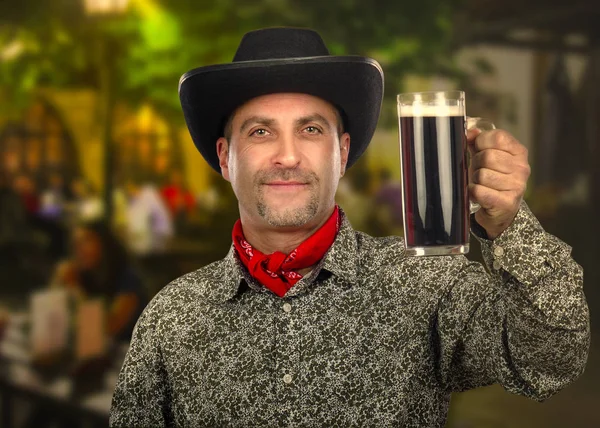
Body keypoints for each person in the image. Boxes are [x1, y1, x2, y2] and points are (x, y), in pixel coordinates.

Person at [110, 28, 590, 427]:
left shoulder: (425, 284)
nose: (288, 155)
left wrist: (509, 224)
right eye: (260, 131)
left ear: (341, 153)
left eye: (310, 129)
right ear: (224, 158)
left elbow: (551, 355)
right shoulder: (170, 319)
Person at [51, 220, 147, 342]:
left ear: (104, 243)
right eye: (75, 244)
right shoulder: (85, 276)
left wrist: (75, 289)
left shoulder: (128, 278)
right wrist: (58, 282)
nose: (79, 249)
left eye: (86, 241)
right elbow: (54, 321)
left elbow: (109, 328)